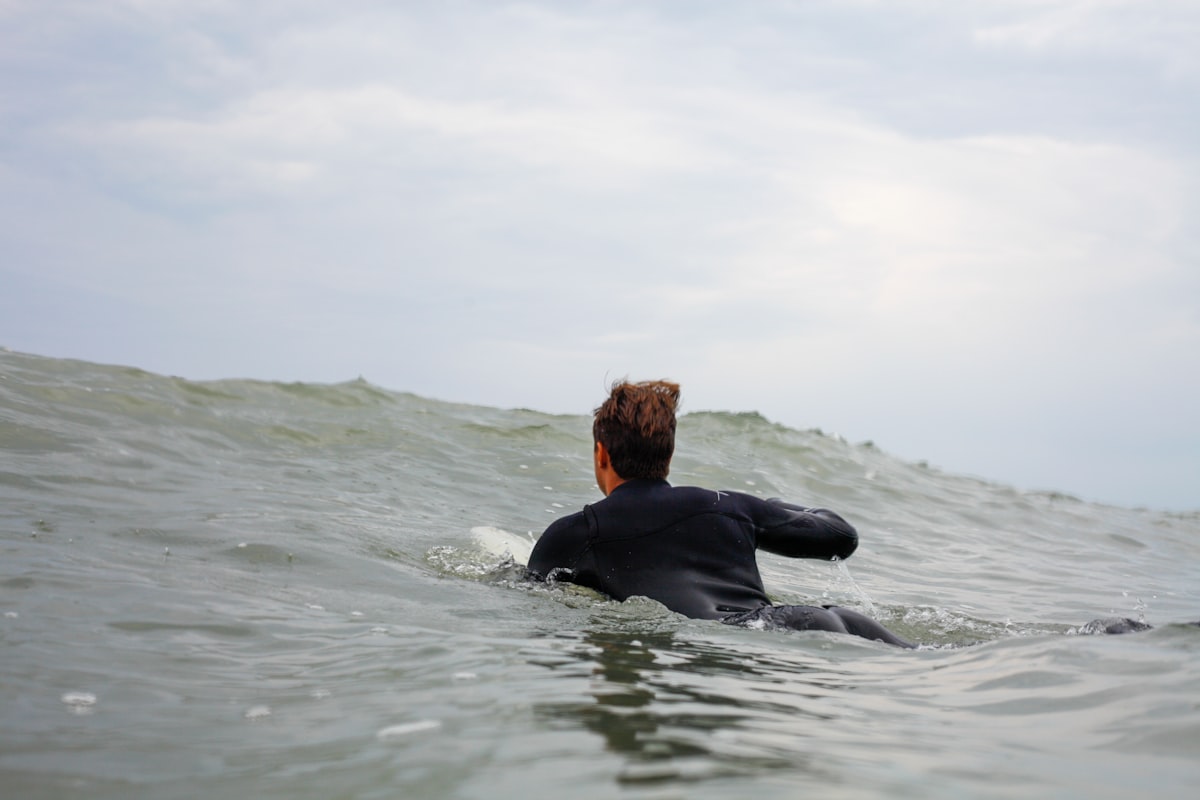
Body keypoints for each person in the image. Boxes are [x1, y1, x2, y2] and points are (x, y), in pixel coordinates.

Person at [526, 379, 915, 648]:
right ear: (669, 453)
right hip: (824, 621)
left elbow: (529, 596)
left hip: (741, 641)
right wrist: (765, 507)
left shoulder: (577, 533)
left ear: (601, 455)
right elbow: (839, 537)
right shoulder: (729, 506)